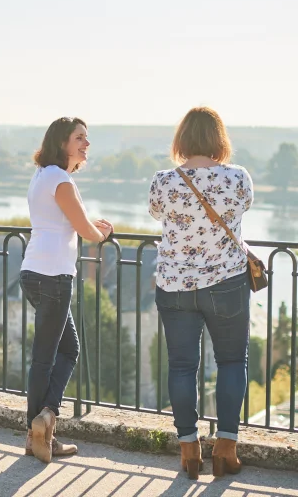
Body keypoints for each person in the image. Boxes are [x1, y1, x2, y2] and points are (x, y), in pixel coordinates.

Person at [148, 107, 253, 479]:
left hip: (175, 286)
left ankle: (189, 451)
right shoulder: (237, 178)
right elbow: (243, 209)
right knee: (230, 362)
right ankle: (225, 449)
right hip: (226, 283)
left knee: (181, 367)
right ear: (219, 140)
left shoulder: (163, 180)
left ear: (182, 139)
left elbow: (156, 214)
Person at [20, 116, 114, 463]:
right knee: (47, 357)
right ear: (62, 143)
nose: (86, 145)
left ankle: (43, 426)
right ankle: (39, 429)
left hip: (34, 271)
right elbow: (84, 230)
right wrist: (104, 231)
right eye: (80, 138)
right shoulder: (60, 180)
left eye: (86, 139)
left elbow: (70, 222)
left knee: (65, 349)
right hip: (54, 277)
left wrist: (92, 224)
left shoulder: (43, 176)